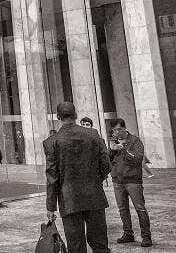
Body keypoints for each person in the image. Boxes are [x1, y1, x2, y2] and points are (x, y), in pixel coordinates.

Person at [44, 102, 111, 253]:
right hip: (94, 194)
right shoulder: (93, 134)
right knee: (100, 243)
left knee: (76, 245)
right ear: (75, 115)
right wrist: (96, 179)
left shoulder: (51, 142)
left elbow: (52, 177)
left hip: (69, 198)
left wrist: (50, 206)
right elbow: (106, 164)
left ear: (58, 117)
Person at [109, 118, 152, 247]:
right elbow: (107, 160)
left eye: (118, 129)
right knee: (122, 209)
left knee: (140, 208)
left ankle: (146, 236)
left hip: (133, 181)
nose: (116, 132)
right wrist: (112, 150)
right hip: (118, 181)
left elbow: (138, 159)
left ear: (124, 127)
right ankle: (128, 233)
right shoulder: (113, 142)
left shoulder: (135, 141)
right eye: (114, 130)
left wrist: (124, 149)